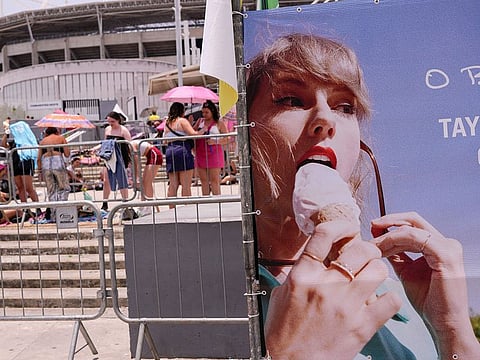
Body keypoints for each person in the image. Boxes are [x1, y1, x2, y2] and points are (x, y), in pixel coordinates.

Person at [246, 33, 480, 359]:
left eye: (345, 107)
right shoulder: (211, 299)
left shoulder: (405, 299)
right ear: (244, 133)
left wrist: (452, 331)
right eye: (291, 100)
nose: (326, 120)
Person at [163, 102, 205, 207]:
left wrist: (191, 124)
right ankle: (187, 208)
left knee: (173, 184)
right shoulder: (182, 121)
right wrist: (204, 129)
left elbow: (165, 140)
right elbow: (193, 134)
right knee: (186, 184)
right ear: (182, 111)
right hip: (182, 150)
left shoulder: (167, 123)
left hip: (170, 150)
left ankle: (171, 209)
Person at [1, 119, 40, 216]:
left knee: (28, 187)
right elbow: (3, 145)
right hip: (15, 163)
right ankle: (25, 208)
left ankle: (37, 207)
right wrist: (7, 133)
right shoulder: (14, 140)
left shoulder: (28, 140)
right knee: (20, 187)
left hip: (26, 162)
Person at [193, 100, 228, 195]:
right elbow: (192, 133)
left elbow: (227, 138)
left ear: (212, 111)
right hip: (200, 152)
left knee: (214, 180)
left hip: (214, 153)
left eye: (206, 112)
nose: (204, 114)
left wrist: (216, 141)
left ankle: (217, 202)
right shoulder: (200, 121)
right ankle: (206, 202)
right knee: (203, 181)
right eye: (203, 112)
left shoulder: (219, 123)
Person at [100, 111, 132, 211]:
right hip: (109, 157)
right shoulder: (107, 129)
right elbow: (105, 143)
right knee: (106, 180)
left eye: (112, 121)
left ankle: (125, 201)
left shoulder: (123, 130)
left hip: (121, 157)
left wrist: (129, 160)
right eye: (109, 121)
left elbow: (129, 145)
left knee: (122, 180)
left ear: (118, 120)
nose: (111, 123)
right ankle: (105, 202)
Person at [37, 127, 70, 221]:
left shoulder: (43, 141)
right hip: (57, 161)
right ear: (57, 132)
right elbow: (67, 153)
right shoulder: (61, 138)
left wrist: (39, 171)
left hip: (46, 163)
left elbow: (39, 158)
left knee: (51, 190)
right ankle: (62, 213)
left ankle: (54, 216)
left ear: (46, 133)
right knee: (63, 188)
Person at [131, 139, 163, 215]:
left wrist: (137, 178)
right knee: (145, 182)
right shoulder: (129, 147)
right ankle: (145, 205)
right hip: (149, 155)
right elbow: (134, 165)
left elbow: (137, 163)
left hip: (154, 154)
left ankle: (148, 206)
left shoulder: (131, 146)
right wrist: (135, 178)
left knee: (147, 182)